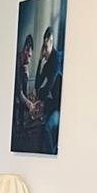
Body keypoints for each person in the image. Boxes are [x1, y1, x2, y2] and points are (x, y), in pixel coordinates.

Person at [32, 26, 62, 154]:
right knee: (38, 133)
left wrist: (41, 95)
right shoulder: (48, 62)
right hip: (52, 104)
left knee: (47, 129)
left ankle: (52, 154)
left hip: (60, 107)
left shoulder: (56, 59)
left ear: (51, 42)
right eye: (44, 46)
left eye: (47, 45)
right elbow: (37, 84)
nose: (45, 49)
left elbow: (48, 86)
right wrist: (40, 60)